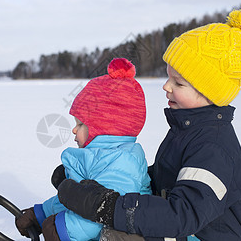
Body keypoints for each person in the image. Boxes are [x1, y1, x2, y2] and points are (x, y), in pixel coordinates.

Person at [57, 8, 241, 241]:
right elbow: (162, 182)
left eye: (178, 82)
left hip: (201, 235)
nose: (166, 87)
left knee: (118, 236)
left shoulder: (213, 147)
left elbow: (181, 216)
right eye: (168, 77)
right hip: (185, 231)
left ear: (210, 92)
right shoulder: (188, 130)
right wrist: (99, 176)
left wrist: (105, 205)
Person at [16, 58, 152, 241]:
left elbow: (101, 216)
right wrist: (40, 214)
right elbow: (78, 202)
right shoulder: (98, 156)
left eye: (80, 124)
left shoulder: (122, 163)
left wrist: (63, 229)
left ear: (103, 128)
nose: (74, 129)